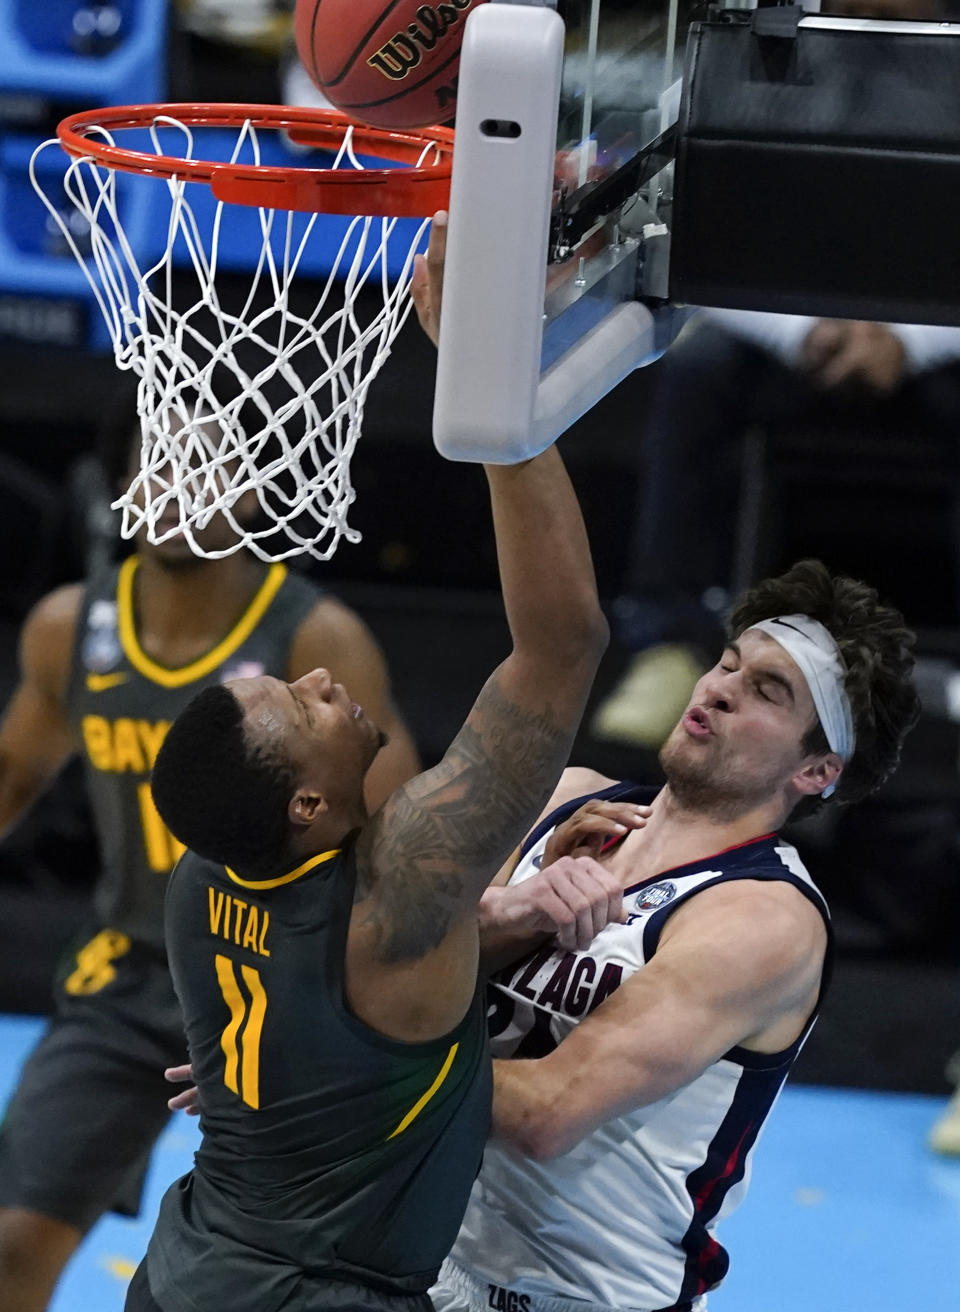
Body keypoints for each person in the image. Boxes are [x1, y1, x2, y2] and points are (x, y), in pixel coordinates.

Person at [123, 210, 610, 1312]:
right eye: (300, 706)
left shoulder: (204, 880)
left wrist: (521, 913)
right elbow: (562, 648)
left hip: (190, 1270)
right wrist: (499, 403)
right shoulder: (401, 890)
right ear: (306, 801)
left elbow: (362, 992)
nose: (319, 681)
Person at [0, 393, 421, 1312]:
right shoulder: (70, 628)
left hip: (286, 987)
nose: (184, 483)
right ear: (121, 485)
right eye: (163, 459)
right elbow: (9, 781)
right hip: (132, 977)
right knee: (9, 1244)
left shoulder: (315, 637)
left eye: (212, 463)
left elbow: (402, 835)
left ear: (251, 488)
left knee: (276, 1280)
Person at [428, 558, 919, 1312]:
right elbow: (408, 965)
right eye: (728, 664)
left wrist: (327, 1059)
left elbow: (544, 1115)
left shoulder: (763, 919)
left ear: (817, 768)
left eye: (767, 691)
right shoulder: (566, 801)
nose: (719, 688)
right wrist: (508, 916)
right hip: (429, 1258)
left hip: (579, 1300)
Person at [591, 0, 960, 749]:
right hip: (801, 347)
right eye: (852, 11)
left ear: (936, 16)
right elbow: (703, 245)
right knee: (696, 370)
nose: (865, 33)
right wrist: (804, 332)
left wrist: (908, 341)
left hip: (934, 355)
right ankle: (668, 640)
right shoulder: (766, 87)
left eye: (890, 17)